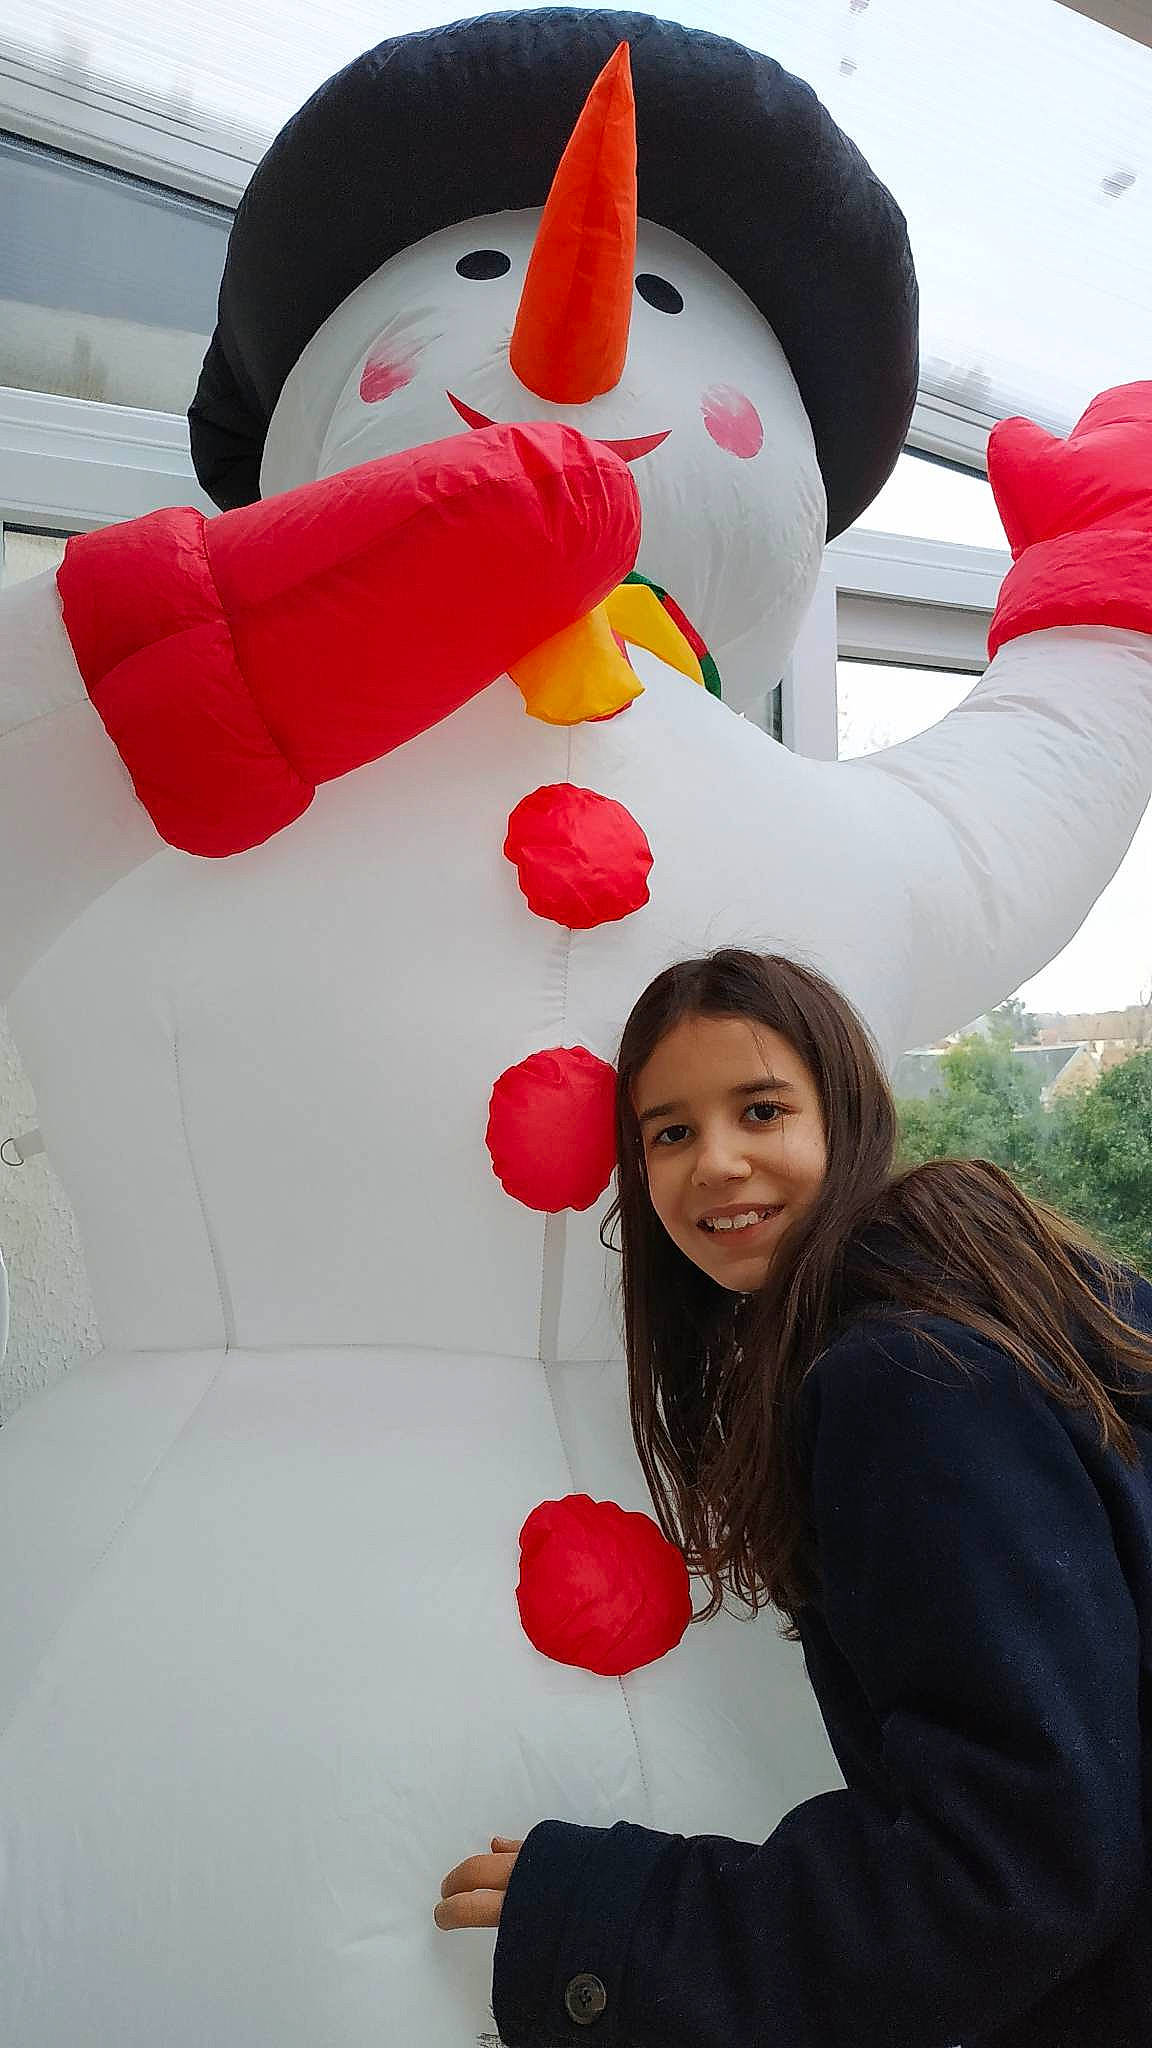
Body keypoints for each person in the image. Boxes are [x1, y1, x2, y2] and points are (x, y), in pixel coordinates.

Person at [435, 948, 1152, 2047]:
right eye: (669, 1132)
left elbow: (1022, 1860)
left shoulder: (904, 1378)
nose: (715, 1162)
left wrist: (614, 1920)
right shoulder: (994, 1301)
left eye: (760, 1108)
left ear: (848, 1115)